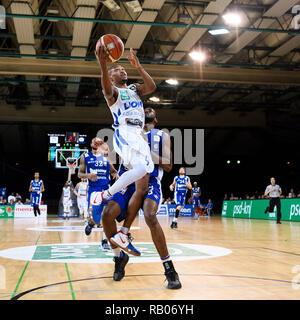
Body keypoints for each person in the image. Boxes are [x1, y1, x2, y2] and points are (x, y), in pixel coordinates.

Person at [101, 108, 181, 289]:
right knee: (106, 214)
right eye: (145, 108)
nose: (147, 109)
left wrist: (144, 151)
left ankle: (169, 269)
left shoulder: (162, 136)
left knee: (150, 215)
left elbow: (168, 165)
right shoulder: (128, 130)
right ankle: (119, 257)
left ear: (156, 119)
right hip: (128, 179)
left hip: (151, 180)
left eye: (151, 109)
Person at [93, 44, 156, 247]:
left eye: (123, 69)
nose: (122, 70)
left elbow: (151, 87)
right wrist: (103, 64)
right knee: (143, 169)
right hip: (124, 131)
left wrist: (139, 68)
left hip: (138, 132)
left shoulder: (133, 89)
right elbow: (105, 88)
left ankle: (122, 230)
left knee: (145, 168)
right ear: (111, 77)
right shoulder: (113, 93)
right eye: (118, 70)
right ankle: (106, 196)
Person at [78, 137, 118, 250]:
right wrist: (88, 176)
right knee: (96, 219)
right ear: (92, 145)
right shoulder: (85, 157)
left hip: (106, 189)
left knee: (107, 216)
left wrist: (116, 175)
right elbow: (80, 174)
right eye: (95, 143)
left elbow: (113, 171)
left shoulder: (105, 158)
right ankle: (91, 224)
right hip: (94, 190)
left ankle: (105, 240)